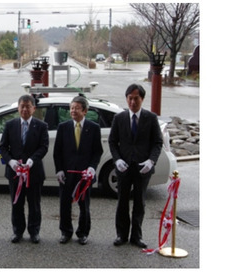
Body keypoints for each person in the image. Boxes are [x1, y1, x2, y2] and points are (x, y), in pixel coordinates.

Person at [108, 83, 163, 248]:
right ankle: (121, 235)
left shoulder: (151, 118)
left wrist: (151, 160)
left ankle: (136, 236)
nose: (133, 102)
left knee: (140, 203)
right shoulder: (119, 118)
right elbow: (112, 142)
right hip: (124, 168)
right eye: (130, 98)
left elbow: (158, 142)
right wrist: (117, 159)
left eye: (136, 98)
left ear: (142, 99)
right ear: (126, 99)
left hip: (142, 168)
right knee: (122, 203)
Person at [53, 96, 103, 245]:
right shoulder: (63, 127)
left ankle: (83, 233)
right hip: (67, 174)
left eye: (77, 108)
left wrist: (92, 168)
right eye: (71, 108)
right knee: (64, 204)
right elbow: (57, 152)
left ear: (85, 111)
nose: (73, 111)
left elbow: (97, 152)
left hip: (84, 175)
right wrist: (59, 169)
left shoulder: (94, 128)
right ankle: (65, 232)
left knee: (84, 205)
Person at [0, 95, 49, 244]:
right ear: (18, 108)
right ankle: (17, 231)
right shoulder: (10, 125)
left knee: (34, 204)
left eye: (28, 106)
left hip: (34, 172)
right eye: (22, 106)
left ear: (34, 108)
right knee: (16, 203)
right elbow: (2, 147)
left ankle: (34, 232)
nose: (25, 109)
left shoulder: (41, 126)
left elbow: (44, 147)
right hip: (15, 173)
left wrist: (32, 160)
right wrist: (11, 162)